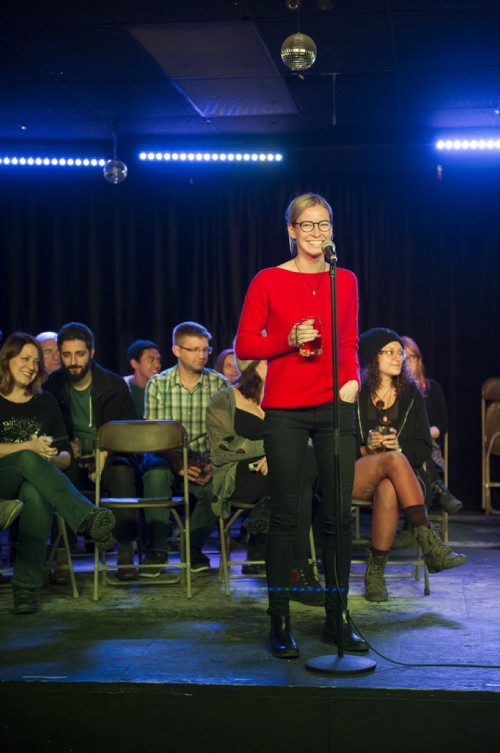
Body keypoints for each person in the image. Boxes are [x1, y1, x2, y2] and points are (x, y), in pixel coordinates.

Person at [236, 192, 364, 659]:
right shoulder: (268, 280)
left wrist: (351, 379)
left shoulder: (344, 279)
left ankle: (338, 617)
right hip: (286, 410)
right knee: (288, 516)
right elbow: (246, 344)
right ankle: (280, 621)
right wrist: (285, 339)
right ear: (291, 231)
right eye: (306, 225)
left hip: (335, 404)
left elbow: (349, 339)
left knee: (338, 515)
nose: (316, 233)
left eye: (323, 224)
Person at [0, 332, 115, 614]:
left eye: (36, 361)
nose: (31, 366)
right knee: (27, 458)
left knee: (35, 493)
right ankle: (87, 518)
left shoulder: (45, 401)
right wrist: (30, 447)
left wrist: (49, 457)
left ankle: (25, 589)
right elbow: (26, 453)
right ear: (7, 360)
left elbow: (66, 457)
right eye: (25, 359)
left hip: (36, 479)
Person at [355, 328, 467, 602]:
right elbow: (335, 441)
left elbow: (424, 447)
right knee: (390, 463)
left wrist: (400, 447)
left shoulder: (411, 396)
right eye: (389, 352)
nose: (398, 358)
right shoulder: (355, 393)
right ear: (373, 357)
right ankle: (430, 545)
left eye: (400, 353)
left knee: (389, 486)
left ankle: (375, 574)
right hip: (356, 472)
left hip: (396, 479)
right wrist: (366, 446)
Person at [206, 354, 323, 605]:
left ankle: (269, 510)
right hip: (241, 476)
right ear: (251, 366)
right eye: (271, 362)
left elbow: (312, 439)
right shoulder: (223, 398)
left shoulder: (292, 397)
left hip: (282, 475)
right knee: (298, 472)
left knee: (305, 461)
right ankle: (298, 571)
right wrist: (273, 449)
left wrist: (280, 455)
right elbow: (223, 447)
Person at [45, 322, 139, 581]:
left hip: (109, 456)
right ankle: (63, 554)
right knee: (59, 474)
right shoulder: (54, 385)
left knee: (122, 471)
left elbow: (129, 432)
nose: (73, 361)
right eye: (66, 355)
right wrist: (66, 447)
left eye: (79, 354)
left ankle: (124, 551)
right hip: (71, 456)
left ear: (92, 352)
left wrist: (105, 450)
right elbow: (47, 428)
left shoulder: (113, 384)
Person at [142, 321, 228, 575]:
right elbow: (154, 435)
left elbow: (225, 432)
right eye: (194, 349)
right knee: (155, 474)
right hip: (167, 454)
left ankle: (191, 548)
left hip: (205, 455)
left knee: (221, 482)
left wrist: (214, 461)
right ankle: (156, 550)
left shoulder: (220, 384)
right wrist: (177, 463)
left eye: (205, 349)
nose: (202, 355)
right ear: (177, 351)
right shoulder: (158, 384)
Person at [401, 335, 463, 514]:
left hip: (428, 446)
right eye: (404, 358)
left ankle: (434, 492)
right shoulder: (393, 392)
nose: (407, 363)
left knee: (420, 448)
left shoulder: (431, 388)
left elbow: (442, 425)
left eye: (412, 358)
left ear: (418, 361)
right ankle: (439, 490)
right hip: (399, 447)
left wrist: (422, 434)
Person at [124, 339, 162, 418]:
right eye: (151, 360)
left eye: (158, 360)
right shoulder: (122, 387)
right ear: (134, 363)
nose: (157, 365)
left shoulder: (163, 388)